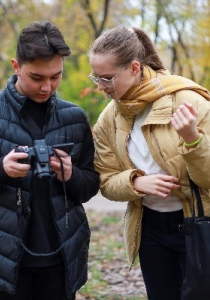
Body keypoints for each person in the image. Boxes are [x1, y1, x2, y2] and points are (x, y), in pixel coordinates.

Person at [0, 20, 100, 300]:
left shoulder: (74, 118)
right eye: (37, 77)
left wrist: (72, 175)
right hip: (1, 260)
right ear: (16, 66)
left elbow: (90, 185)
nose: (47, 87)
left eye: (56, 76)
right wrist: (0, 168)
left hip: (61, 258)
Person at [88, 26, 210, 300]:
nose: (100, 87)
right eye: (96, 77)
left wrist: (192, 139)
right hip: (150, 228)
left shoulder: (188, 101)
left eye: (107, 78)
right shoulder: (110, 117)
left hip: (198, 224)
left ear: (133, 68)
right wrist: (136, 182)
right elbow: (105, 181)